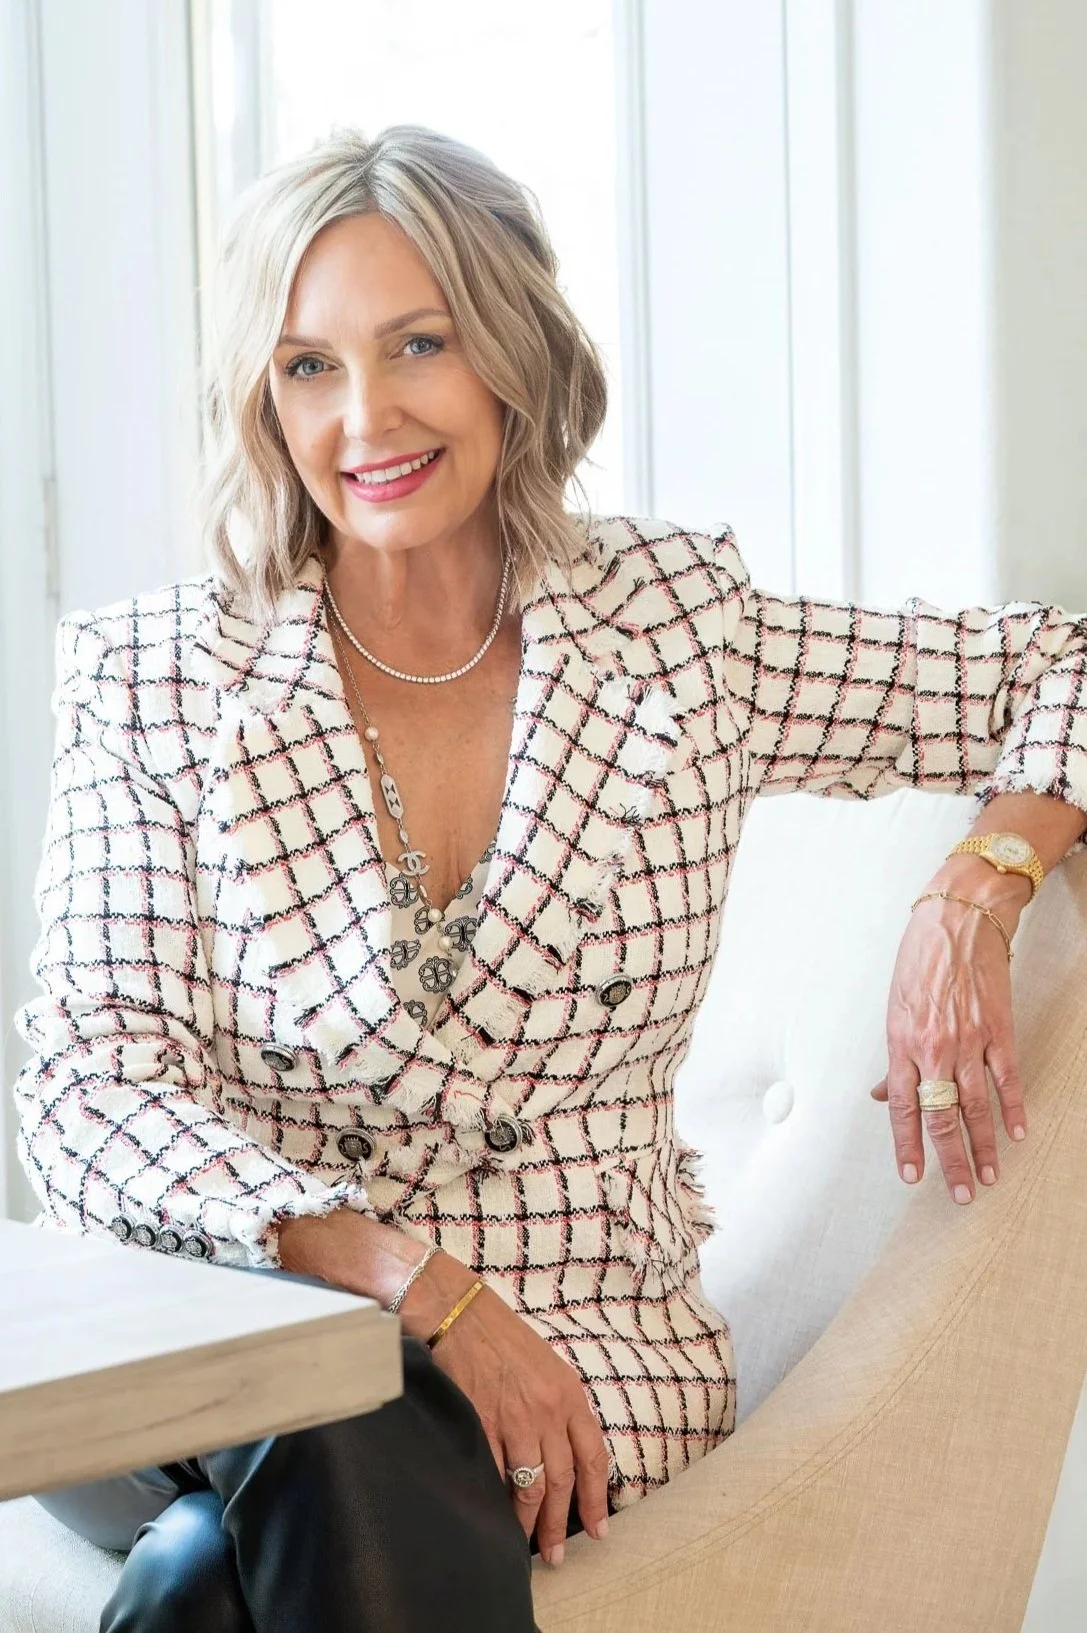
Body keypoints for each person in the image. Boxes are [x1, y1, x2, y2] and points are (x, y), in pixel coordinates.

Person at [12, 122, 1087, 1633]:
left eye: (418, 343)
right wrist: (412, 1288)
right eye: (309, 365)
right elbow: (85, 1084)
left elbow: (1055, 665)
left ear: (511, 350)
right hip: (221, 1330)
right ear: (263, 398)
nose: (366, 414)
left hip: (590, 1359)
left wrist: (976, 881)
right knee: (337, 1411)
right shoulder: (152, 678)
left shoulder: (675, 631)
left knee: (209, 1579)